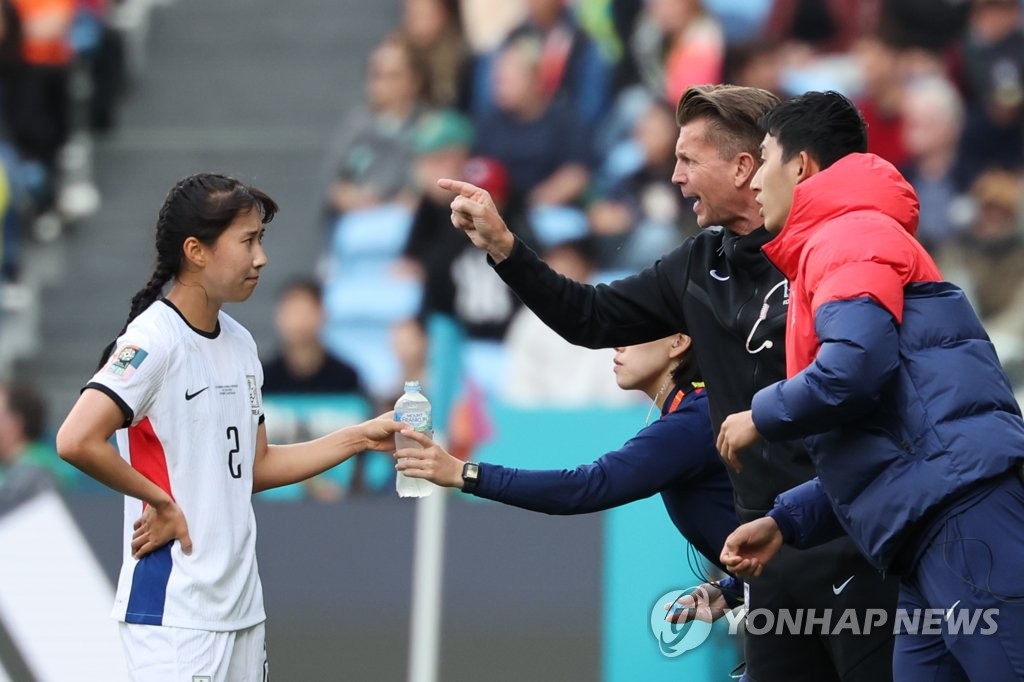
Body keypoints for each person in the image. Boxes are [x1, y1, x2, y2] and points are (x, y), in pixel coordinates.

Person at [441, 84, 899, 682]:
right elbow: (590, 317)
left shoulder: (834, 252)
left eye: (688, 159)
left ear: (742, 166)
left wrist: (461, 472)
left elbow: (867, 380)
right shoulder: (696, 262)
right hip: (768, 562)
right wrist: (505, 248)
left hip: (854, 543)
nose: (675, 176)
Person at [717, 91, 1024, 681]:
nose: (753, 183)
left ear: (801, 165)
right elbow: (888, 439)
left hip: (960, 518)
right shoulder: (842, 240)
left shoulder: (846, 235)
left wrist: (760, 414)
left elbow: (854, 370)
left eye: (764, 159)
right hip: (931, 525)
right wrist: (787, 521)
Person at [54, 173, 403, 681]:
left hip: (242, 612)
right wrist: (163, 502)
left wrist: (359, 436)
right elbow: (75, 439)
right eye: (248, 241)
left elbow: (255, 467)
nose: (260, 258)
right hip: (175, 618)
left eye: (260, 240)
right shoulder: (154, 339)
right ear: (196, 250)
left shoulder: (241, 344)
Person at [394, 333, 742, 606]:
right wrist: (734, 590)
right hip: (778, 594)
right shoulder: (695, 412)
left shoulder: (693, 420)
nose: (617, 343)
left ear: (678, 342)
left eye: (635, 330)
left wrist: (464, 474)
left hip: (790, 595)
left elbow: (586, 487)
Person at [262, 279, 363, 395]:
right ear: (279, 317)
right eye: (292, 313)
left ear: (323, 315)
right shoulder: (264, 377)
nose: (299, 322)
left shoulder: (346, 377)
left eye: (305, 312)